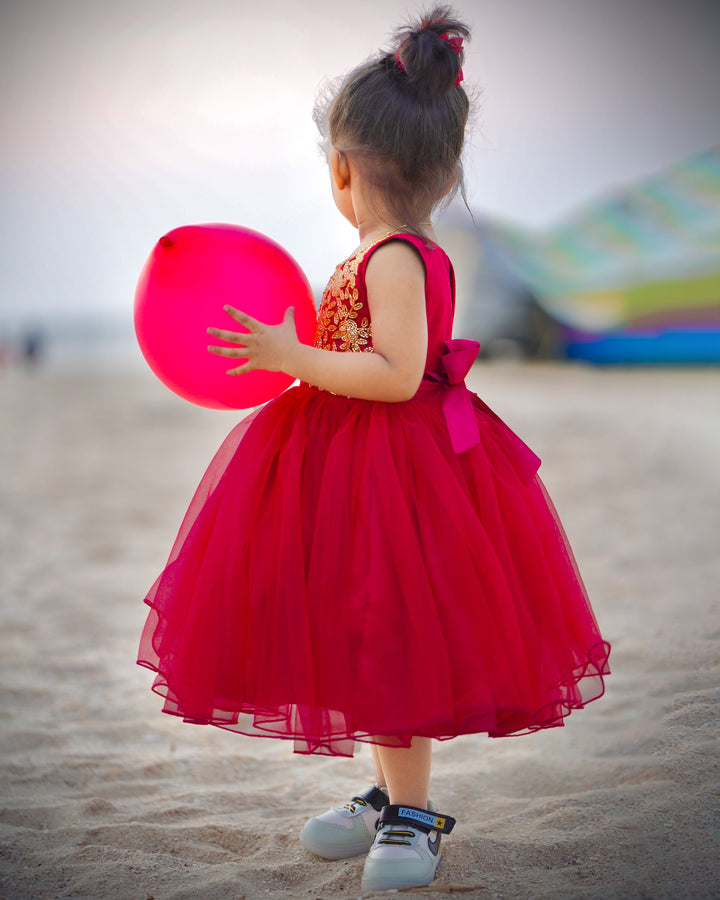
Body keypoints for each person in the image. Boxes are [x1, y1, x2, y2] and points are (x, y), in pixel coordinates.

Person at [137, 5, 611, 892]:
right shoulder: (382, 248)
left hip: (396, 466)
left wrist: (289, 357)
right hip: (358, 461)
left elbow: (395, 374)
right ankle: (387, 792)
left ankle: (417, 811)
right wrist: (301, 353)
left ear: (343, 169)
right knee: (358, 628)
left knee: (393, 632)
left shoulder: (395, 256)